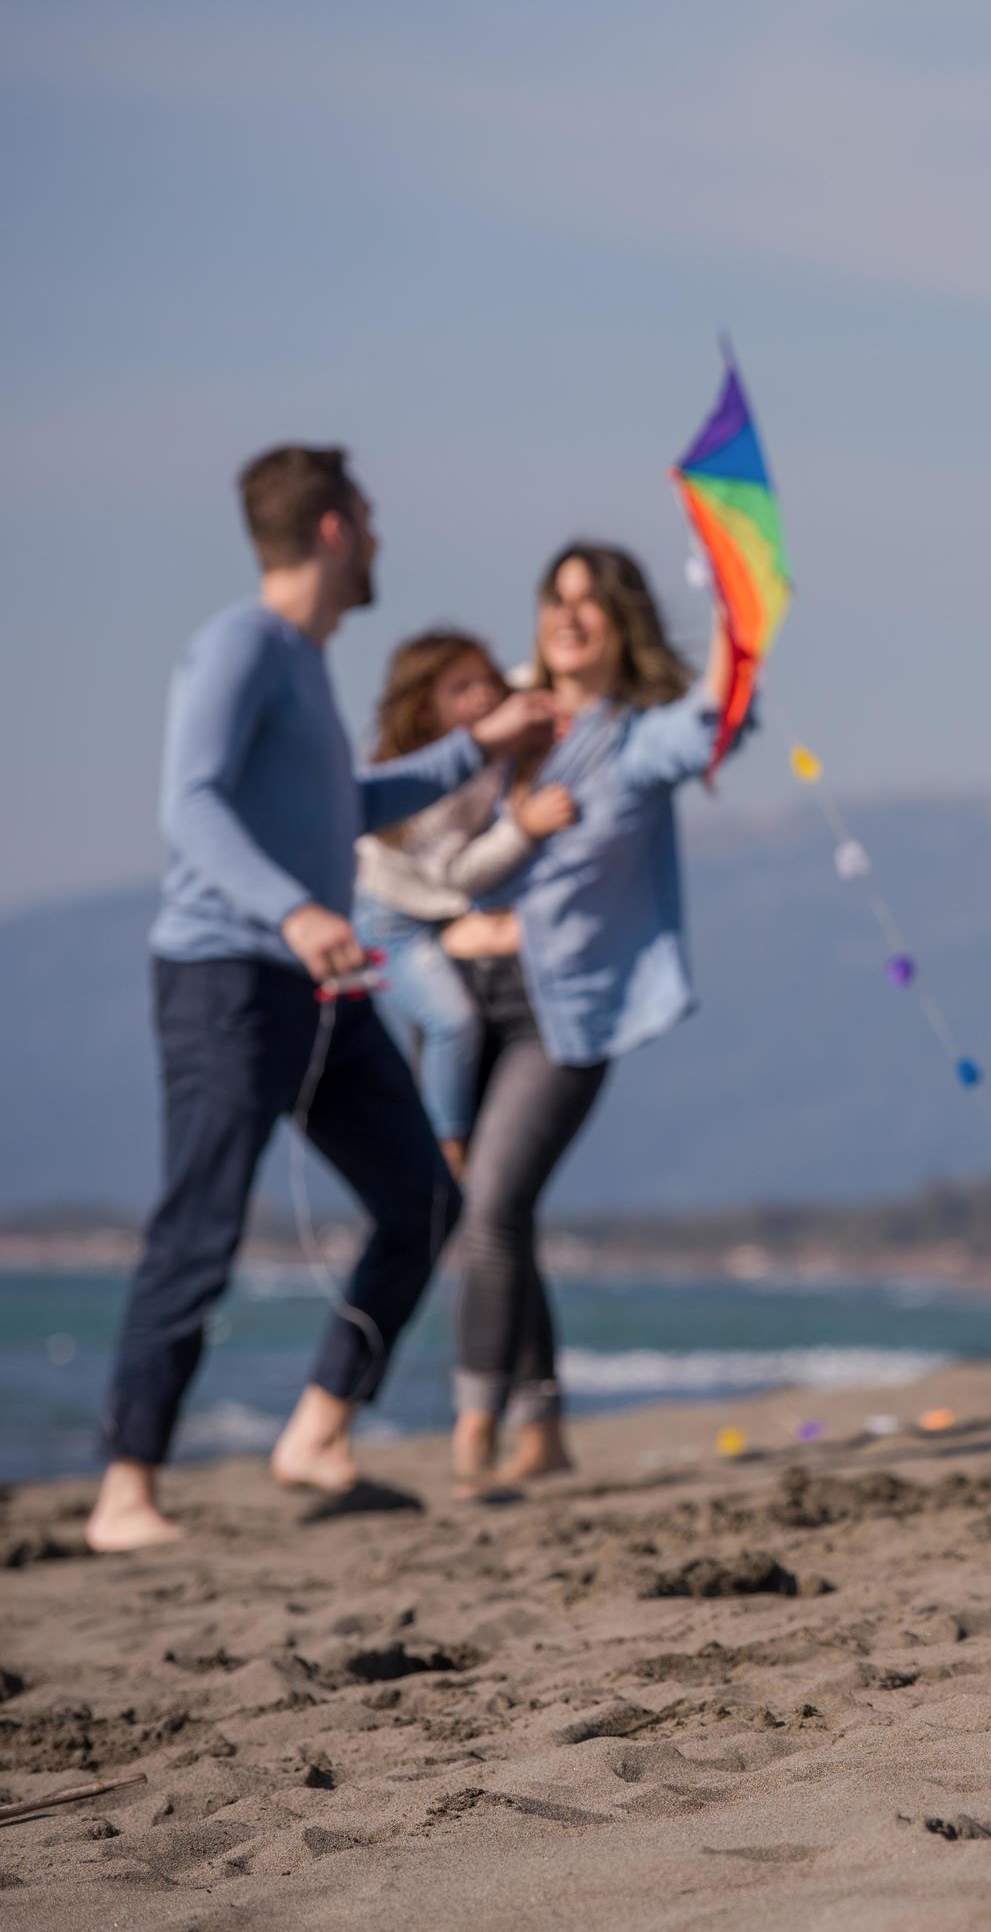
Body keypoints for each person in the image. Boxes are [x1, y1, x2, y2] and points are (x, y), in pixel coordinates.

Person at [90, 446, 556, 1554]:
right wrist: (295, 911)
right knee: (200, 1227)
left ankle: (315, 1430)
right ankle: (123, 1491)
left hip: (321, 984)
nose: (383, 541)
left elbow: (344, 801)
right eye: (373, 518)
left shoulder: (302, 662)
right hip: (228, 980)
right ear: (337, 529)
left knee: (420, 1201)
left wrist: (476, 751)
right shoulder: (240, 645)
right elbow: (191, 802)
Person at [447, 542, 748, 1494]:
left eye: (592, 604)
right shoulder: (498, 717)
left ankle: (471, 1435)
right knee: (501, 1210)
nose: (569, 617)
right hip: (453, 1001)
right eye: (555, 599)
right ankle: (546, 1422)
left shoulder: (636, 737)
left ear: (624, 626)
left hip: (564, 1012)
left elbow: (713, 729)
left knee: (490, 1206)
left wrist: (740, 628)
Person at [352, 630, 580, 1179]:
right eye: (460, 689)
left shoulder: (503, 714)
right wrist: (522, 829)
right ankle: (448, 1148)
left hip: (446, 915)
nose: (481, 695)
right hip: (392, 921)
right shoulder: (422, 787)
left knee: (452, 1027)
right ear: (426, 714)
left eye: (486, 678)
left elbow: (536, 674)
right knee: (452, 1022)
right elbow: (458, 872)